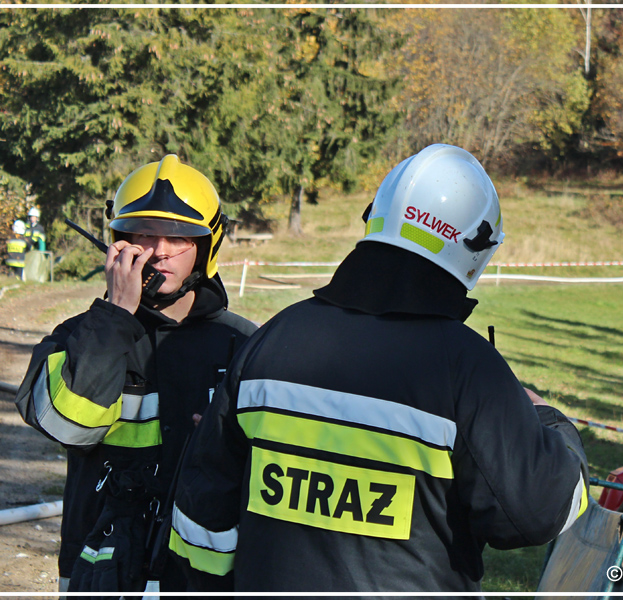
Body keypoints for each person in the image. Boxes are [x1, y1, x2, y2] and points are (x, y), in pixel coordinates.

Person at [168, 144, 590, 593]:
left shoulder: (270, 341)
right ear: (475, 246)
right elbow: (537, 514)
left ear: (376, 220)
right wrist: (549, 421)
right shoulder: (467, 368)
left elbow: (203, 523)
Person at [14, 155, 257, 595]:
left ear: (208, 246)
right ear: (119, 242)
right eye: (144, 233)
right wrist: (115, 317)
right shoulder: (79, 337)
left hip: (201, 572)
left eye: (180, 235)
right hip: (100, 567)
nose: (160, 249)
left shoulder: (243, 347)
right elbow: (68, 427)